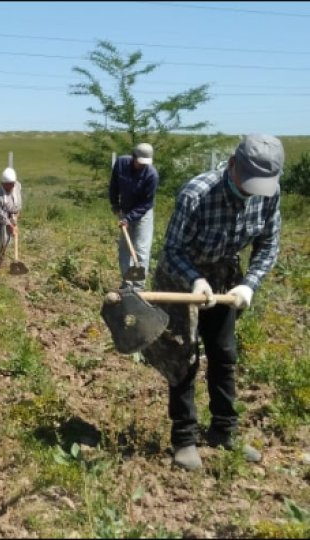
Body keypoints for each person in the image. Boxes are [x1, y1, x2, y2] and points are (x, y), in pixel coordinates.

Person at [141, 134, 284, 471]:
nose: (252, 190)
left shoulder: (269, 195)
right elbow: (171, 251)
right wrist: (195, 280)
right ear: (233, 165)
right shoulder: (197, 193)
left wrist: (249, 285)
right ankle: (185, 439)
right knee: (184, 359)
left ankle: (224, 432)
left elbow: (268, 245)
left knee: (223, 355)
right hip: (181, 281)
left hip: (224, 279)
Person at [110, 142, 159, 289]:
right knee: (125, 249)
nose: (142, 165)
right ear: (133, 157)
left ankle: (138, 286)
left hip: (143, 213)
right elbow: (114, 185)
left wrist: (129, 218)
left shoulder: (151, 175)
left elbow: (146, 203)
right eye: (140, 162)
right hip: (125, 209)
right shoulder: (121, 164)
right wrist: (115, 205)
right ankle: (127, 282)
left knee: (141, 249)